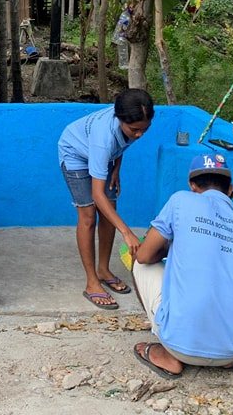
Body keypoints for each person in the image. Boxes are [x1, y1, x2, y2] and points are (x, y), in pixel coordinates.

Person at [131, 154, 233, 378]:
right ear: (231, 189)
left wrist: (170, 250)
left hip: (181, 345)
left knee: (139, 264)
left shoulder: (180, 201)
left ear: (193, 186)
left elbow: (145, 255)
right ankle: (223, 358)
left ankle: (170, 354)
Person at [57, 88, 154, 310]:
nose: (139, 134)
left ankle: (103, 269)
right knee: (89, 215)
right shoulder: (103, 137)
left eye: (144, 130)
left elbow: (121, 145)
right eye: (135, 130)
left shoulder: (133, 123)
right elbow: (96, 194)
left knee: (109, 212)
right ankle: (92, 282)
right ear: (120, 119)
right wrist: (127, 232)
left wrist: (116, 168)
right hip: (75, 154)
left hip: (103, 157)